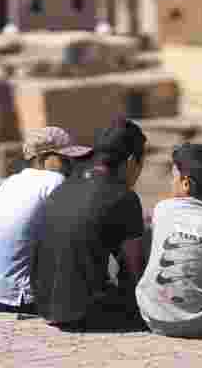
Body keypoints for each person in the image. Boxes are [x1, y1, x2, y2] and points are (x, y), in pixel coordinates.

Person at [0, 127, 92, 313]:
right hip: (7, 298)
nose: (70, 164)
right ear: (41, 159)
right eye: (64, 158)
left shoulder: (10, 182)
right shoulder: (54, 181)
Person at [32, 117, 148, 331]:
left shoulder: (63, 188)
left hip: (43, 307)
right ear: (132, 161)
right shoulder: (124, 198)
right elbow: (134, 271)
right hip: (85, 314)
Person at [136, 143, 202, 338]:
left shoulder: (162, 209)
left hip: (154, 317)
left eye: (173, 177)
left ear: (185, 183)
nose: (171, 182)